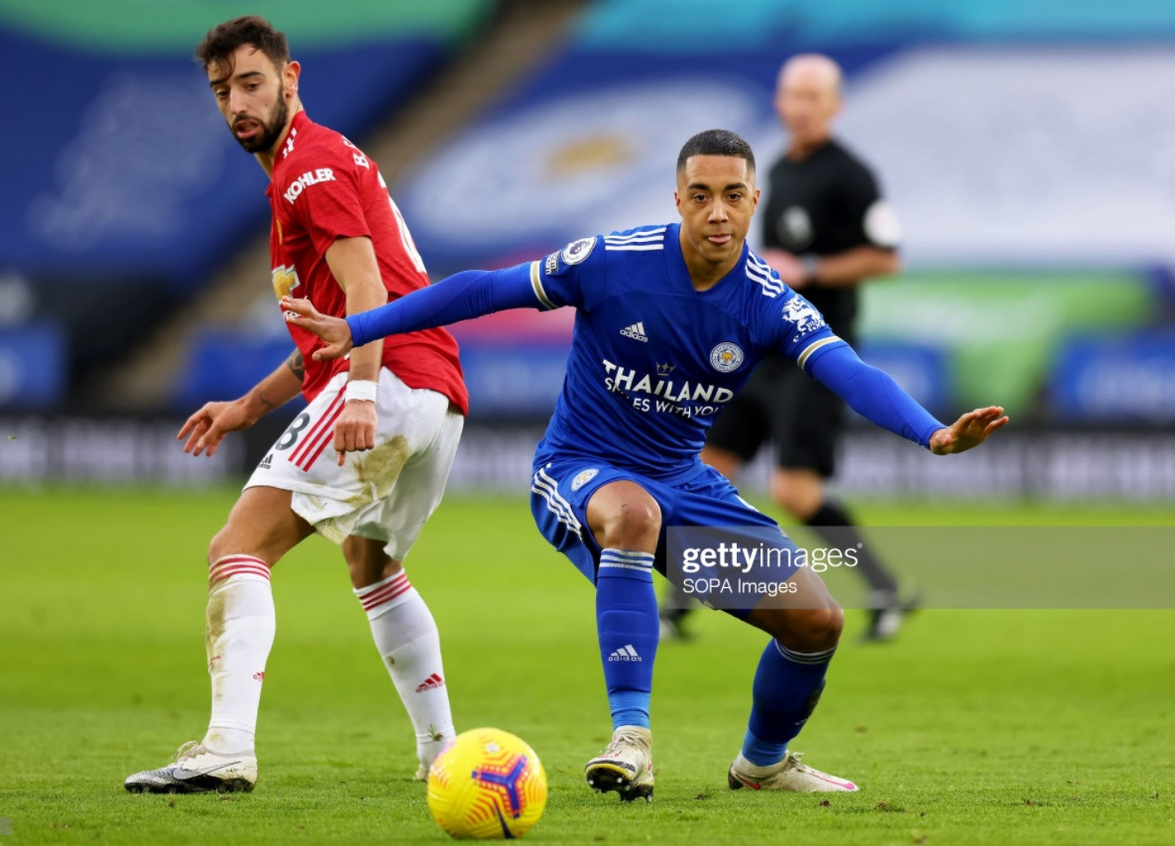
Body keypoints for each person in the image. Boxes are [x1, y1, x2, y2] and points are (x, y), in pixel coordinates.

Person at [281, 128, 1007, 801]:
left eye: (732, 195)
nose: (717, 212)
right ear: (678, 200)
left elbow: (847, 371)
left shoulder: (767, 304)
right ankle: (631, 739)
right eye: (700, 195)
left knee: (815, 620)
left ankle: (762, 764)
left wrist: (932, 434)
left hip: (685, 486)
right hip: (579, 469)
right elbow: (480, 291)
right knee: (632, 512)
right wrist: (357, 327)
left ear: (755, 201)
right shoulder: (612, 263)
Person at [124, 16, 469, 794]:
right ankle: (443, 756)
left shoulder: (306, 169)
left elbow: (366, 295)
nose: (237, 103)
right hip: (436, 400)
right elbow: (328, 326)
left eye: (251, 83)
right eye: (222, 91)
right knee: (370, 561)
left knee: (235, 549)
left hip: (386, 386)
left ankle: (226, 748)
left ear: (291, 78)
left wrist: (358, 389)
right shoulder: (318, 165)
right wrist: (252, 403)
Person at [663, 54, 911, 643]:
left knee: (794, 491)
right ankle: (685, 601)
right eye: (791, 95)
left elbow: (886, 258)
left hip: (815, 353)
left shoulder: (853, 176)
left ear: (834, 104)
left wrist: (812, 267)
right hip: (761, 350)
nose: (798, 107)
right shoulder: (774, 169)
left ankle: (883, 588)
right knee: (703, 471)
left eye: (811, 97)